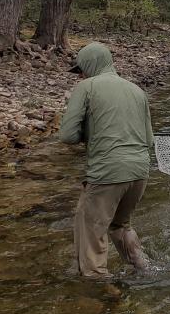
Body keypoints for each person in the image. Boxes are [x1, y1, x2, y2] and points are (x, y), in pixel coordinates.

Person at [58, 41, 153, 279]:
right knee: (120, 225)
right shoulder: (137, 90)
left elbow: (67, 135)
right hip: (140, 171)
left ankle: (97, 285)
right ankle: (143, 269)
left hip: (108, 171)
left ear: (89, 65)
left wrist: (90, 135)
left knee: (90, 229)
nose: (79, 74)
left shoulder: (87, 87)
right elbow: (149, 140)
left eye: (80, 69)